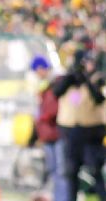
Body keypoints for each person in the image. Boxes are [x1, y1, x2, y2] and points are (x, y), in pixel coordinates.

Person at [52, 49, 106, 201]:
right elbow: (56, 92)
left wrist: (86, 80)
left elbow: (100, 98)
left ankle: (103, 197)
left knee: (95, 170)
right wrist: (71, 77)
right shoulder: (68, 80)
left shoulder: (98, 79)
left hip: (91, 133)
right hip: (71, 132)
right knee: (71, 171)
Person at [32, 56, 68, 201]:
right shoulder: (44, 86)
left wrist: (43, 118)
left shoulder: (56, 83)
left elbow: (54, 109)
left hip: (57, 133)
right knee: (54, 171)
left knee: (61, 171)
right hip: (48, 134)